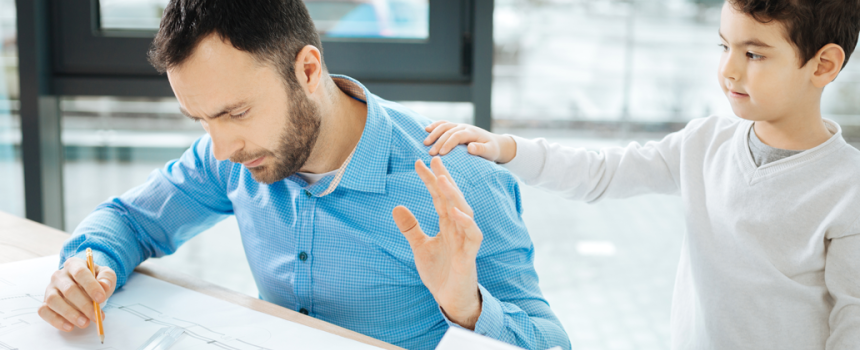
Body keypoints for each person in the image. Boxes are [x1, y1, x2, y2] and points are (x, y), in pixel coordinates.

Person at [36, 1, 570, 349]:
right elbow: (130, 221)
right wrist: (87, 266)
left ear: (308, 70)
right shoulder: (234, 155)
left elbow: (550, 342)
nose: (220, 147)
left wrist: (468, 308)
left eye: (236, 112)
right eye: (202, 119)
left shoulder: (455, 178)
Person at [421, 0, 860, 348]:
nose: (729, 70)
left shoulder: (859, 195)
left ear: (824, 64)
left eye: (753, 54)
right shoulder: (703, 144)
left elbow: (858, 323)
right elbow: (603, 172)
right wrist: (508, 149)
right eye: (724, 45)